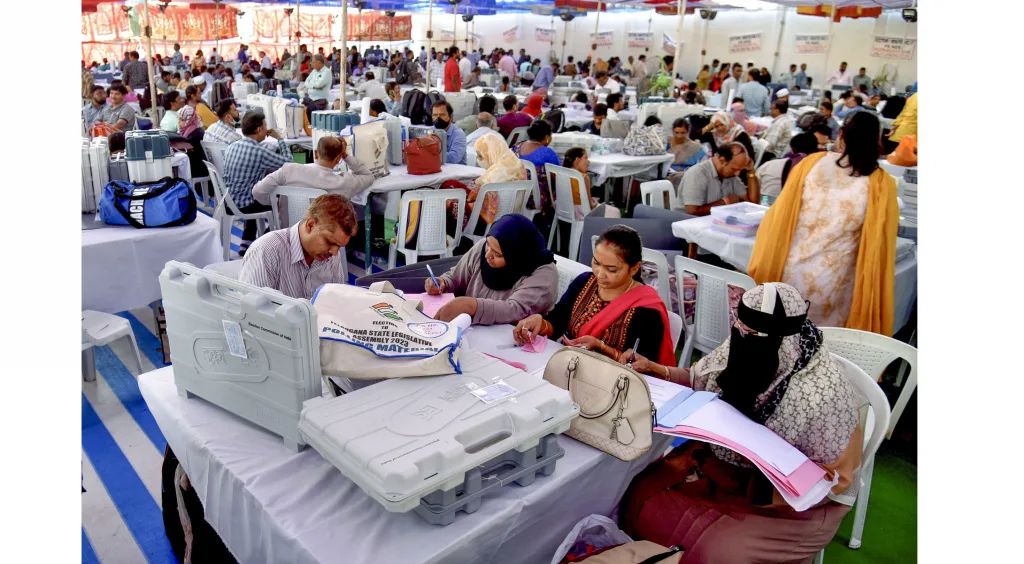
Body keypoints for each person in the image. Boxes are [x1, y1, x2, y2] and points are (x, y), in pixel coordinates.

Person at [620, 282, 866, 561]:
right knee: (641, 498)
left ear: (781, 339)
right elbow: (702, 378)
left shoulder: (823, 394)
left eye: (750, 332)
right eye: (738, 325)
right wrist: (658, 370)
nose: (739, 335)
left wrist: (759, 486)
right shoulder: (746, 338)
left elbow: (833, 479)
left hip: (788, 504)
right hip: (723, 468)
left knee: (716, 553)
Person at [749, 112, 897, 333]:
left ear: (842, 135)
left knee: (782, 335)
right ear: (877, 140)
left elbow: (778, 216)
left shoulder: (811, 164)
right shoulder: (880, 183)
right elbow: (880, 243)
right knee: (821, 343)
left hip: (792, 270)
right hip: (835, 281)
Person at [513, 225, 676, 366]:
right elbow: (558, 322)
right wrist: (541, 323)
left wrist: (601, 347)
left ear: (634, 268)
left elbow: (643, 365)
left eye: (611, 269)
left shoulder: (646, 310)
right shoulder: (584, 282)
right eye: (596, 263)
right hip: (570, 366)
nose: (600, 274)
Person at [427, 214, 559, 325]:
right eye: (488, 245)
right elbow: (455, 278)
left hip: (508, 341)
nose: (487, 255)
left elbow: (515, 311)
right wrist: (443, 283)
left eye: (498, 254)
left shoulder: (543, 275)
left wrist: (471, 306)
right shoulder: (484, 247)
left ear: (516, 256)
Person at [239, 194, 359, 300]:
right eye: (329, 242)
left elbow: (335, 301)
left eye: (339, 246)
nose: (334, 252)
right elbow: (252, 311)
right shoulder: (266, 251)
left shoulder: (331, 255)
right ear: (310, 225)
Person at [222, 112, 293, 251]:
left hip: (228, 201)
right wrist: (280, 139)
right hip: (246, 205)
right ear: (258, 129)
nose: (266, 130)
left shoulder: (231, 146)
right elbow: (289, 162)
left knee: (253, 188)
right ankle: (263, 241)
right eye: (265, 126)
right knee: (282, 201)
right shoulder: (258, 152)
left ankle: (246, 241)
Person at [253, 136, 374, 209]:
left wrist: (275, 203)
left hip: (287, 233)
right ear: (338, 160)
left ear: (316, 153)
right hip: (320, 238)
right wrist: (345, 155)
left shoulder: (288, 170)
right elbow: (368, 176)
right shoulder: (344, 183)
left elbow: (257, 191)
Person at [460, 135, 529, 231]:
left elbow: (472, 196)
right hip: (512, 216)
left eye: (481, 156)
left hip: (487, 220)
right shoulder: (517, 163)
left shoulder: (494, 173)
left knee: (450, 195)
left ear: (491, 154)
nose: (479, 160)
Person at [677, 142, 758, 216]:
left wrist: (751, 171)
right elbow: (692, 212)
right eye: (734, 169)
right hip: (687, 223)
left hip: (715, 222)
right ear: (722, 160)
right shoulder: (698, 173)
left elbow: (753, 204)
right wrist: (724, 202)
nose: (737, 174)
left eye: (740, 170)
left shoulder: (731, 175)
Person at [513, 120, 560, 225]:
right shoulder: (547, 153)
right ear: (547, 137)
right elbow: (558, 177)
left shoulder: (516, 147)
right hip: (535, 198)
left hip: (514, 193)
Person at [755, 132, 821, 204]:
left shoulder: (769, 165)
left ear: (792, 150)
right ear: (815, 151)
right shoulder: (818, 172)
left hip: (765, 204)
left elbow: (755, 185)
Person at [563, 148, 621, 220]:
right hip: (581, 213)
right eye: (586, 158)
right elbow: (589, 205)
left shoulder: (562, 173)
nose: (588, 162)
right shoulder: (584, 177)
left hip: (565, 210)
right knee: (615, 211)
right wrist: (594, 203)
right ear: (577, 160)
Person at [431, 100, 467, 165]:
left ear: (450, 117)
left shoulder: (458, 133)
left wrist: (430, 155)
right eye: (435, 115)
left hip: (457, 170)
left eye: (442, 115)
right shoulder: (431, 131)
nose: (438, 118)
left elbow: (454, 158)